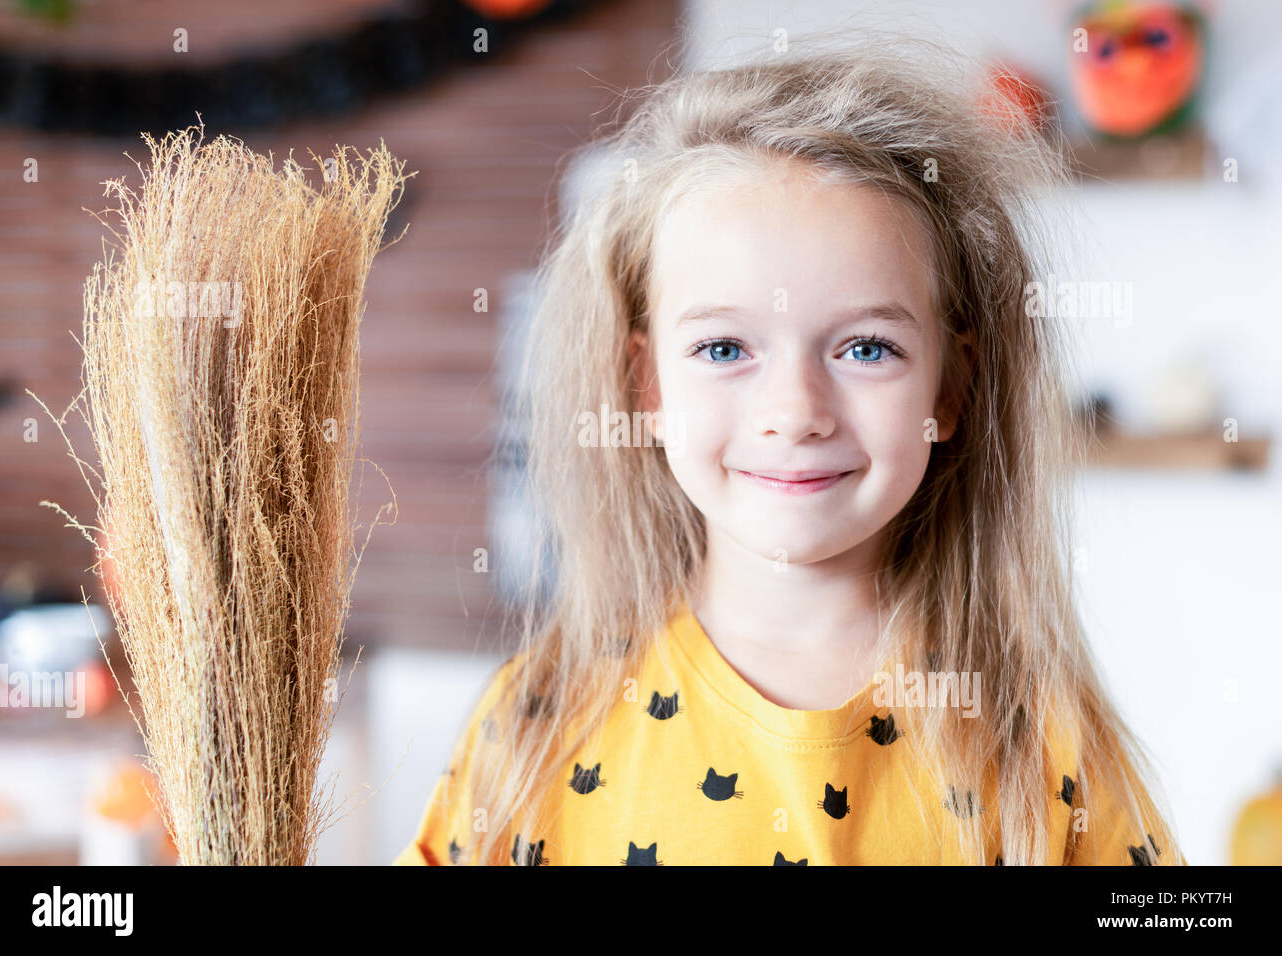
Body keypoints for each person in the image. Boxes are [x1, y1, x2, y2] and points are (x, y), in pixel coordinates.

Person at [394, 29, 1184, 866]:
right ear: (648, 386)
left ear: (949, 389)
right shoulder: (536, 723)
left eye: (866, 348)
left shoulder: (1042, 744)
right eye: (725, 350)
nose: (795, 412)